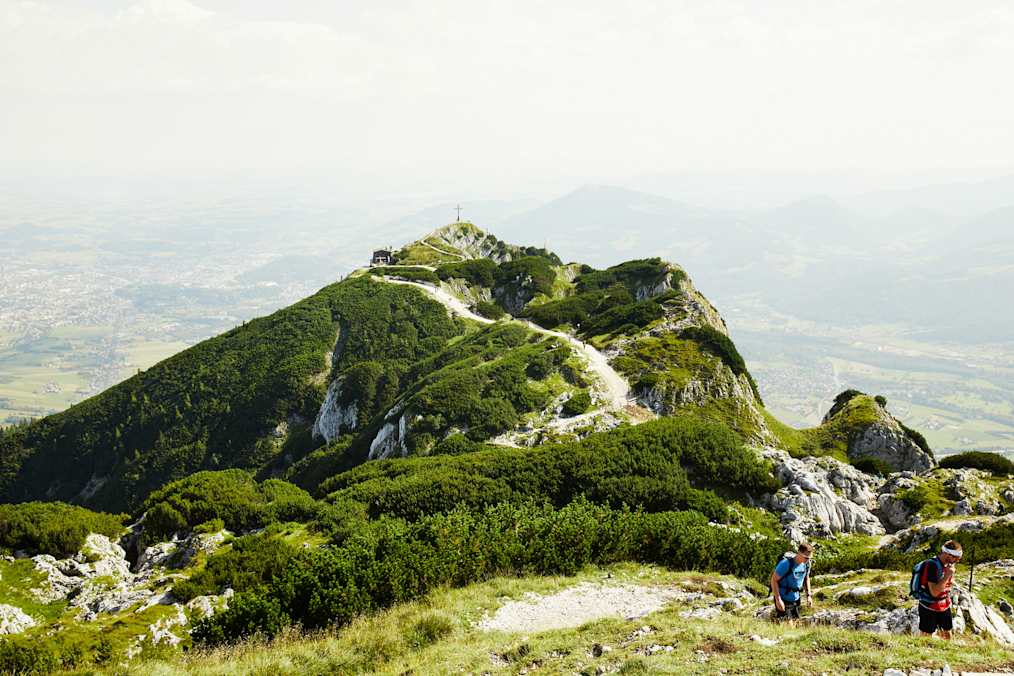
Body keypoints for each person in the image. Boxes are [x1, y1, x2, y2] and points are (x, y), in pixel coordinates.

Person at [916, 540, 962, 640]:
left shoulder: (948, 565)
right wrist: (947, 576)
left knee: (947, 632)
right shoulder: (932, 565)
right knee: (926, 636)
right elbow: (934, 592)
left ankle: (947, 653)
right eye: (955, 557)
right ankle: (922, 653)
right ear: (946, 553)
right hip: (929, 606)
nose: (957, 560)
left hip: (944, 604)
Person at [770, 542, 813, 621]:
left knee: (796, 624)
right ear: (799, 553)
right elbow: (774, 580)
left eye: (810, 558)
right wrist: (778, 600)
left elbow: (806, 578)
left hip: (796, 599)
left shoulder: (806, 564)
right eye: (806, 557)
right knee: (788, 627)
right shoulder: (785, 564)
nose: (808, 560)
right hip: (783, 598)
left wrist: (808, 596)